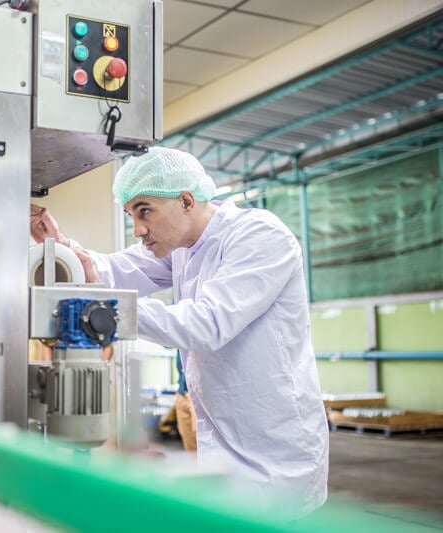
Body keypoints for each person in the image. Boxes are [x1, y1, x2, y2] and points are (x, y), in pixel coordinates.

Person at [30, 147, 329, 517]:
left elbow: (207, 324)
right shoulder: (184, 247)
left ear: (186, 200)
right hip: (220, 442)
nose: (138, 229)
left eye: (144, 211)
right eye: (130, 215)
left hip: (274, 451)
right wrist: (62, 249)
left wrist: (102, 312)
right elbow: (112, 271)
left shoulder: (259, 236)